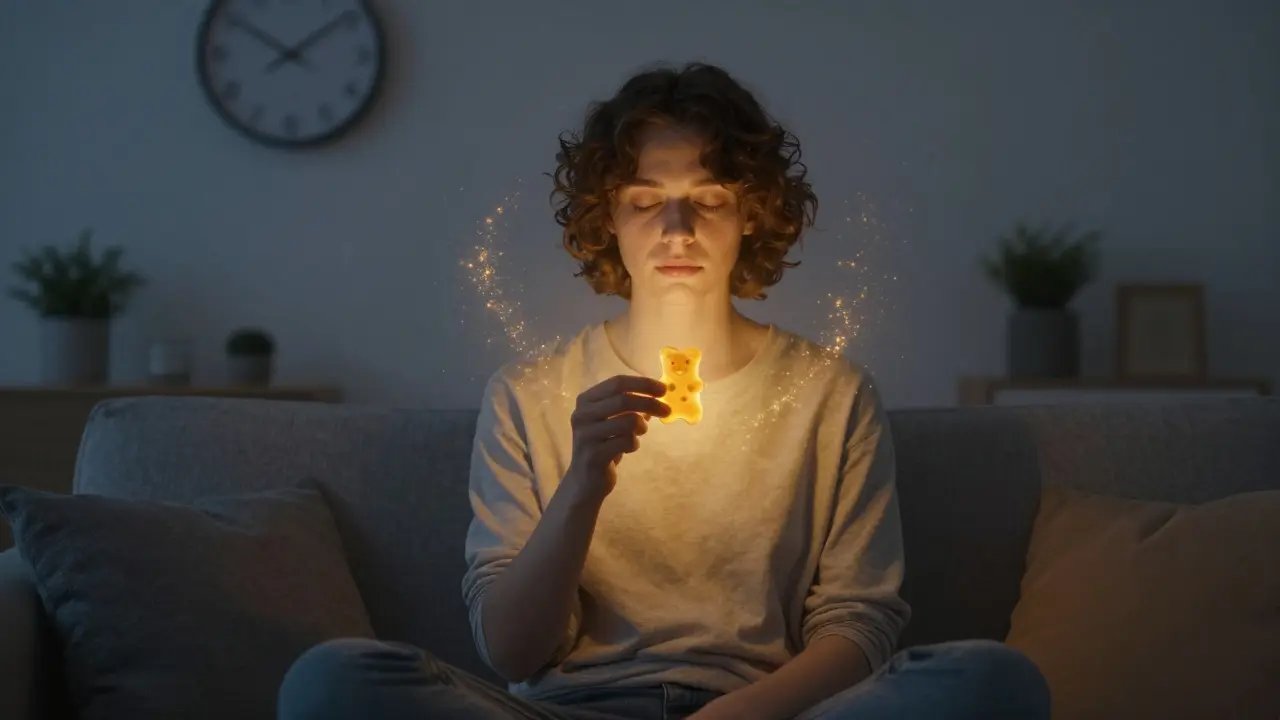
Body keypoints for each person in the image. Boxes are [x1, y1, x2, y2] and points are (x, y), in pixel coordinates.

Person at [278, 61, 1050, 720]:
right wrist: (582, 482)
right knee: (333, 679)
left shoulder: (831, 394)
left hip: (761, 712)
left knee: (991, 679)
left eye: (709, 199)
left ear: (752, 215)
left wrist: (740, 716)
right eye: (646, 201)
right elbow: (510, 648)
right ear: (607, 219)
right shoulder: (531, 393)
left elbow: (862, 623)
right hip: (564, 711)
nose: (677, 227)